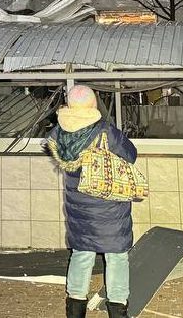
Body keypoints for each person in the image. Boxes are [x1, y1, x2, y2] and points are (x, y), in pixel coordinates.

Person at [45, 85, 137, 318]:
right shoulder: (105, 131)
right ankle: (118, 309)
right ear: (93, 104)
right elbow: (131, 154)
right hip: (110, 208)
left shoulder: (57, 133)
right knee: (116, 257)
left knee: (81, 253)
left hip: (79, 209)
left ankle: (75, 309)